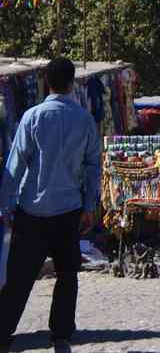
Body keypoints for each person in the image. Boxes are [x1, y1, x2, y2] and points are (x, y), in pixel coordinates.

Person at [0, 58, 100, 352]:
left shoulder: (32, 117)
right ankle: (61, 336)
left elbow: (15, 164)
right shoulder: (84, 120)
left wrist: (5, 205)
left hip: (31, 210)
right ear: (71, 83)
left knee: (18, 280)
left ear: (46, 82)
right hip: (68, 210)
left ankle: (2, 334)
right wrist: (89, 206)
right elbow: (93, 166)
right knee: (67, 275)